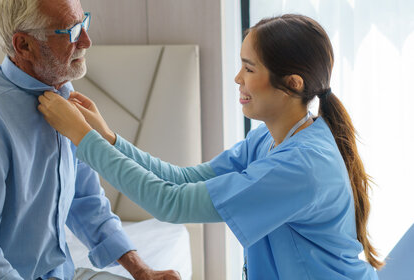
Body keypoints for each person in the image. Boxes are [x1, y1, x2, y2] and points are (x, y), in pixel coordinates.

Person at [37, 14, 385, 279]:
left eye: (249, 68)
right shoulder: (270, 139)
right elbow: (181, 180)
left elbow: (170, 203)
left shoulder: (300, 167)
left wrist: (83, 138)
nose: (237, 78)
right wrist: (108, 138)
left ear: (292, 84)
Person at [0, 0, 179, 280]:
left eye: (83, 23)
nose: (87, 41)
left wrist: (143, 271)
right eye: (71, 32)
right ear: (23, 45)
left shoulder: (62, 94)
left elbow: (85, 199)